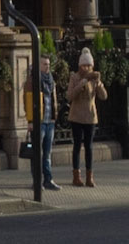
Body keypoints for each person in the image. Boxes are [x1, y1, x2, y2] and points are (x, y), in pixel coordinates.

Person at [68, 47, 107, 186]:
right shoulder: (74, 77)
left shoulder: (94, 79)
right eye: (84, 65)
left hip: (90, 116)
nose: (87, 68)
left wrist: (99, 84)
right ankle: (76, 176)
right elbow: (70, 96)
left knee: (89, 147)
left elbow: (104, 96)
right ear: (80, 65)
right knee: (77, 146)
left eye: (89, 65)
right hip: (76, 116)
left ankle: (90, 176)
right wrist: (81, 83)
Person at [36, 50, 59, 190]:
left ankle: (48, 180)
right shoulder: (34, 80)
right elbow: (28, 100)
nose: (47, 67)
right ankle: (37, 181)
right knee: (37, 153)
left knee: (47, 153)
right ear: (39, 65)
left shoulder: (51, 80)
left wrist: (54, 117)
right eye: (44, 64)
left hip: (49, 121)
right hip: (39, 121)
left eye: (48, 64)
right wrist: (31, 121)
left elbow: (53, 99)